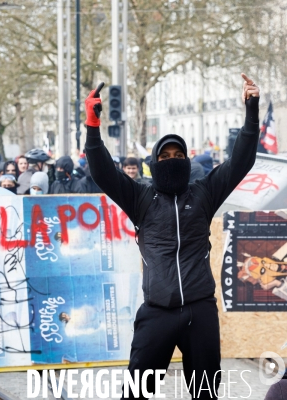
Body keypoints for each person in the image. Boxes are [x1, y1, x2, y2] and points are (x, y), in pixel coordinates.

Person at [83, 73, 260, 398]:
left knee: (205, 393)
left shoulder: (204, 193)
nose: (172, 161)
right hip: (157, 311)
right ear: (154, 163)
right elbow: (103, 172)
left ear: (187, 161)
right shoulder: (140, 198)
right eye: (164, 157)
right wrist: (92, 128)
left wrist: (251, 112)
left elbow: (241, 161)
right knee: (136, 393)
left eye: (178, 156)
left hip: (199, 310)